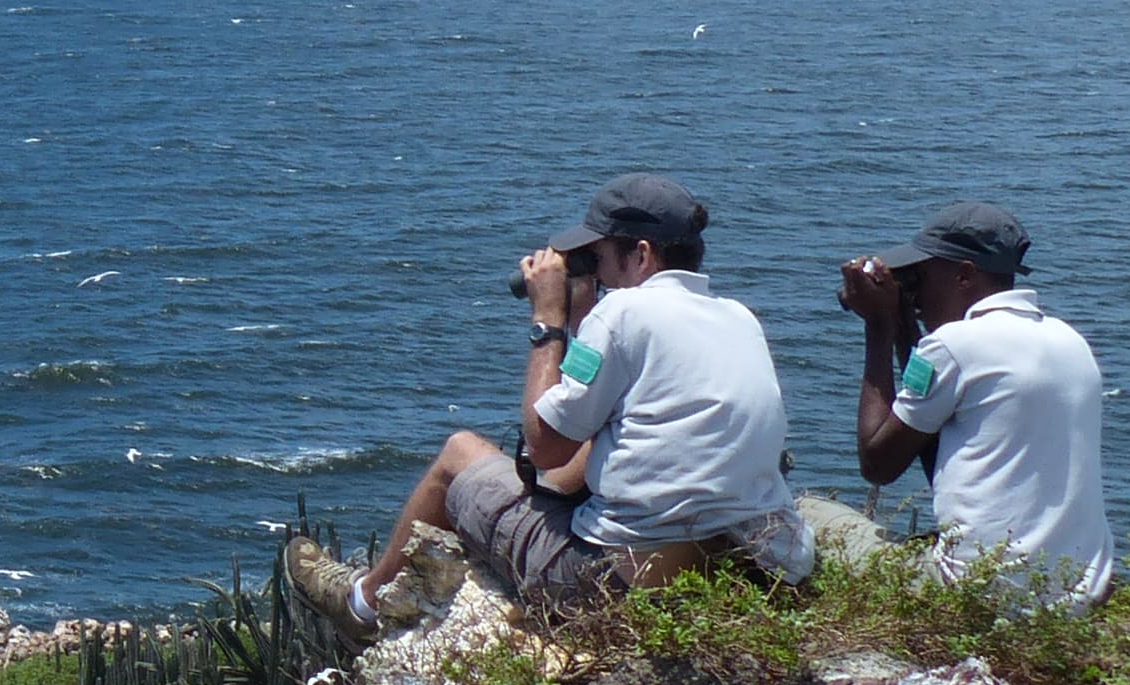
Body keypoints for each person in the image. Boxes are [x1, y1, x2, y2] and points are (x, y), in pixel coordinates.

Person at [292, 172, 814, 637]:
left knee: (459, 453)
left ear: (642, 255)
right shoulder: (739, 317)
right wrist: (589, 320)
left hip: (620, 587)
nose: (599, 277)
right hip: (750, 574)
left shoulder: (627, 311)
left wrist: (550, 321)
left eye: (600, 259)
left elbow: (544, 447)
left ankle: (363, 601)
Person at [837, 198, 1113, 602]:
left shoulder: (955, 345)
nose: (916, 296)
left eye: (922, 280)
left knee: (816, 519)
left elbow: (878, 464)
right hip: (1078, 594)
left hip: (983, 591)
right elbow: (937, 457)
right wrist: (904, 329)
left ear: (964, 276)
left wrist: (880, 327)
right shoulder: (1070, 341)